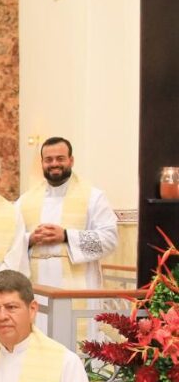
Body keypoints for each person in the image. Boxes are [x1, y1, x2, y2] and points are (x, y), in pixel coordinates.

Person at [18, 137, 118, 333]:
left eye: (60, 158)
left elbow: (110, 239)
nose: (54, 164)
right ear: (42, 163)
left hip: (79, 289)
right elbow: (12, 239)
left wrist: (65, 236)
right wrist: (30, 238)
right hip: (37, 288)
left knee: (75, 340)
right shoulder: (25, 200)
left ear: (71, 160)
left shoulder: (93, 196)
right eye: (49, 159)